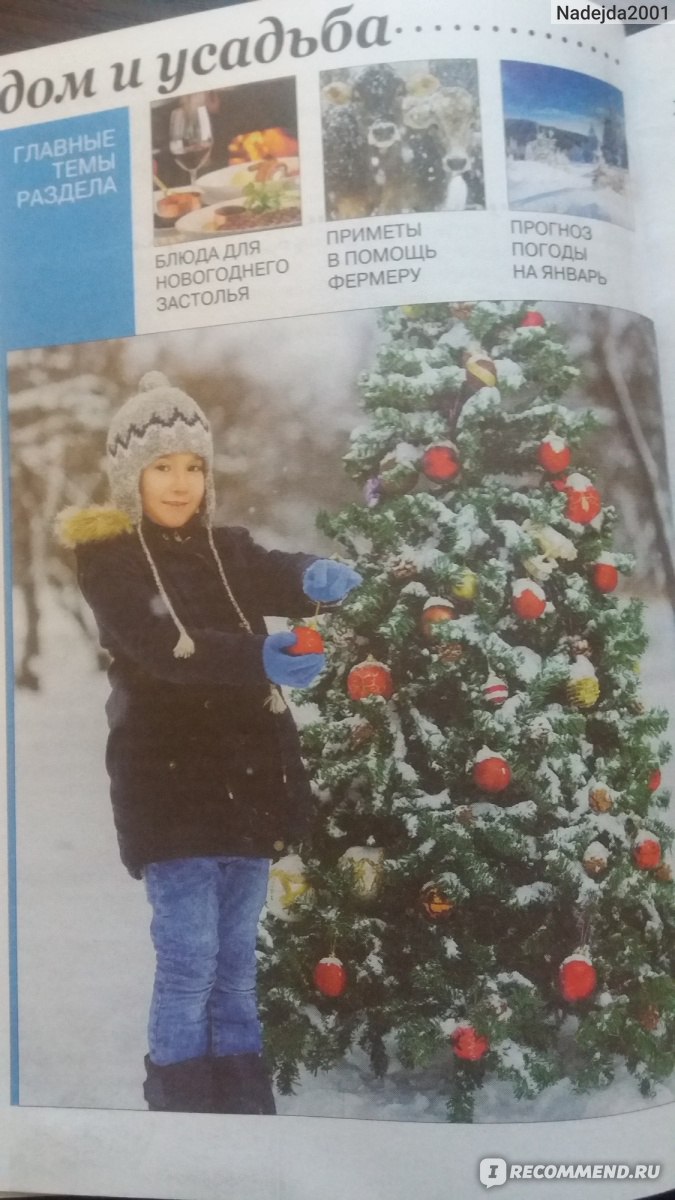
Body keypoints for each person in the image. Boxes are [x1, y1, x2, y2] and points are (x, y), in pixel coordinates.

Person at [56, 371, 361, 1115]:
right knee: (190, 963)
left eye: (193, 465)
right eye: (162, 466)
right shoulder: (111, 560)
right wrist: (256, 657)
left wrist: (313, 577)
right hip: (170, 787)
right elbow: (162, 647)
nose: (180, 482)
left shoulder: (226, 547)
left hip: (249, 780)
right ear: (132, 474)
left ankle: (243, 1100)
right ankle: (183, 1103)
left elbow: (270, 571)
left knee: (235, 965)